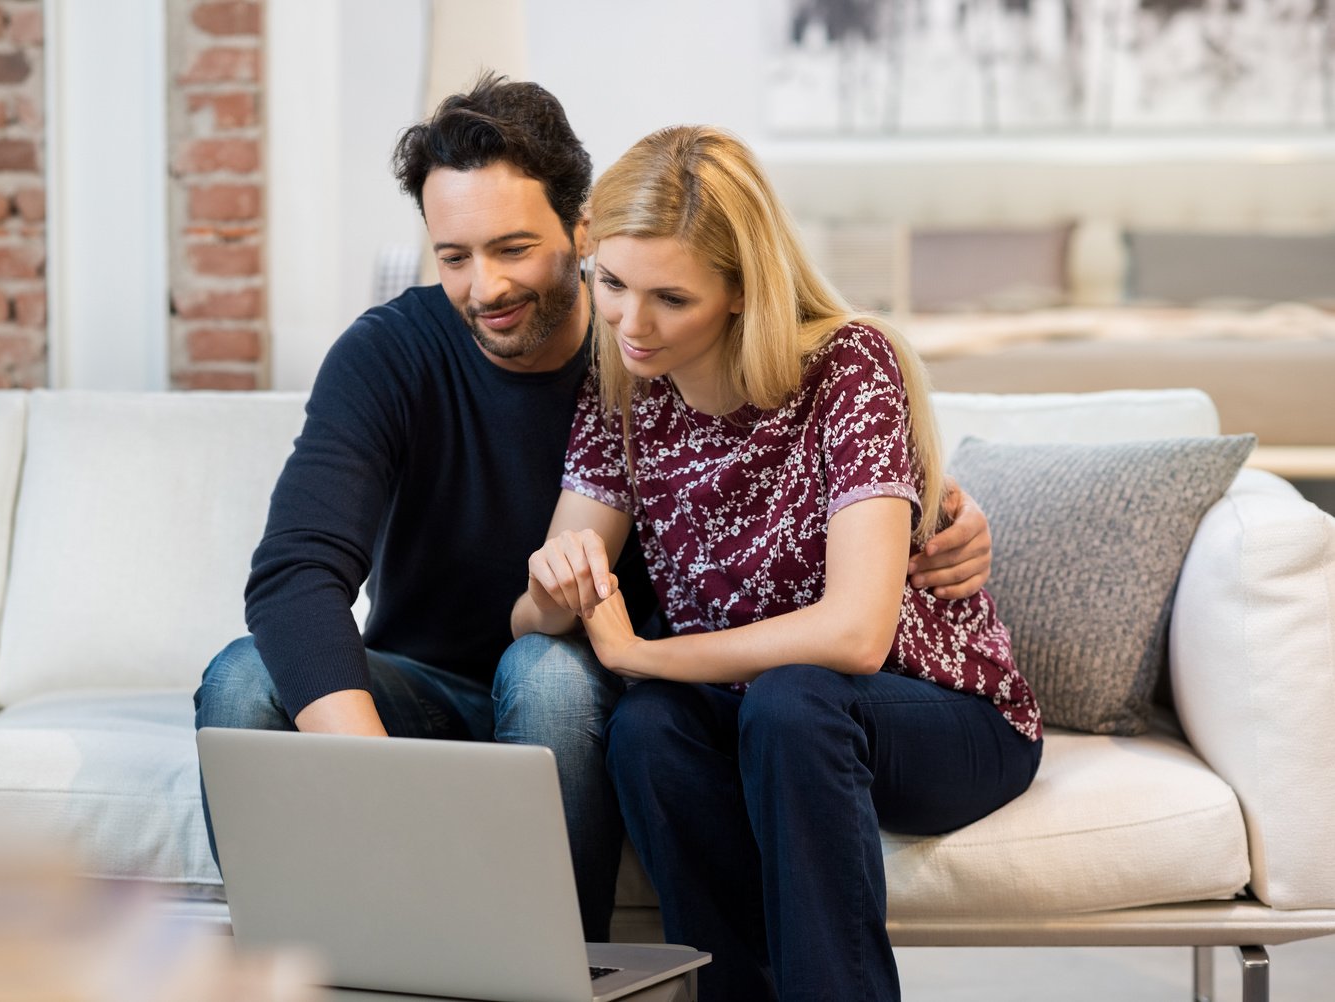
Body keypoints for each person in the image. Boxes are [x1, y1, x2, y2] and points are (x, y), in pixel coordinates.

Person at [194, 76, 997, 945]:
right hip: (425, 692)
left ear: (584, 231)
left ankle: (562, 971)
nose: (484, 287)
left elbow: (789, 446)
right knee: (244, 677)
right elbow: (292, 577)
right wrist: (386, 787)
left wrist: (937, 510)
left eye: (512, 248)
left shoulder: (648, 354)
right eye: (453, 255)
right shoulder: (393, 356)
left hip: (594, 690)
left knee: (546, 671)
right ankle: (313, 968)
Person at [512, 125, 1042, 1000]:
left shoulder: (847, 367)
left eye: (669, 299)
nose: (631, 325)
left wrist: (640, 656)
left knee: (795, 701)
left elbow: (855, 635)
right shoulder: (622, 391)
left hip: (945, 716)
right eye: (610, 283)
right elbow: (534, 617)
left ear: (739, 289)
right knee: (648, 732)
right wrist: (552, 587)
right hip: (762, 713)